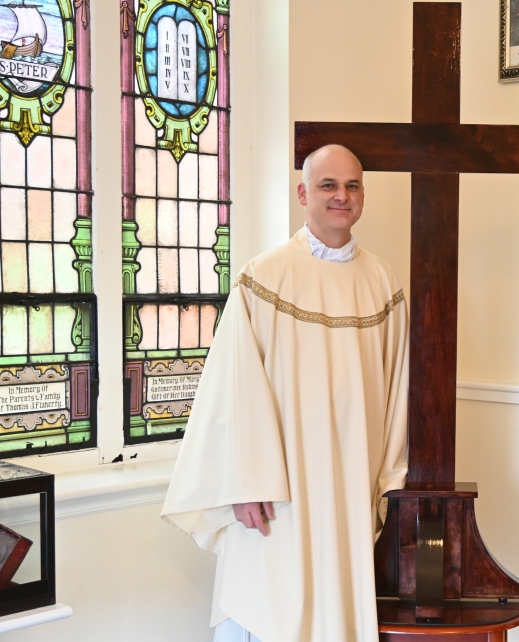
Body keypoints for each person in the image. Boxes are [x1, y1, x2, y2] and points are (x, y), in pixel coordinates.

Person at [162, 144, 410, 642]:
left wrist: (387, 479)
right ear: (303, 193)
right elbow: (234, 386)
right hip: (278, 488)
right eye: (328, 185)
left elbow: (396, 384)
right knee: (267, 603)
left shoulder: (381, 281)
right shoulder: (265, 275)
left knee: (336, 603)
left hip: (348, 482)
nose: (342, 196)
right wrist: (244, 481)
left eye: (352, 185)